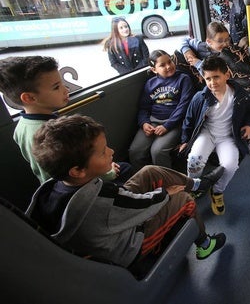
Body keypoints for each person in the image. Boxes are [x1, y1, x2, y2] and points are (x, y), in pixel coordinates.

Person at [26, 114, 226, 267]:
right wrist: (166, 194)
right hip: (130, 246)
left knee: (149, 172)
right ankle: (204, 244)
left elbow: (120, 199)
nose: (111, 152)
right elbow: (142, 206)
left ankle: (199, 184)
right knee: (183, 199)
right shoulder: (101, 200)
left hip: (112, 219)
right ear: (78, 170)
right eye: (103, 152)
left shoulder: (53, 189)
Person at [0, 56, 132, 185]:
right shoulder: (45, 134)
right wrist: (109, 172)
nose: (66, 89)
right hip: (83, 186)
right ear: (29, 98)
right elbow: (66, 176)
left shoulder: (22, 127)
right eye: (56, 87)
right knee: (125, 169)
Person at [179, 56, 250, 215]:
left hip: (228, 137)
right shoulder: (201, 97)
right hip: (207, 134)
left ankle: (217, 191)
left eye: (216, 77)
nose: (212, 82)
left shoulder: (240, 95)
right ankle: (193, 187)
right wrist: (184, 140)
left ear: (227, 75)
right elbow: (189, 119)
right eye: (208, 78)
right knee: (194, 160)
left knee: (230, 166)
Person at [129, 50, 195, 171]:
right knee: (135, 151)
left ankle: (167, 183)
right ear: (154, 70)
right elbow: (144, 107)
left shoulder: (183, 79)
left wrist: (167, 126)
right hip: (153, 121)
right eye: (162, 65)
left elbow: (184, 106)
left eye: (169, 62)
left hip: (174, 123)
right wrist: (144, 123)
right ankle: (145, 180)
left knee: (158, 151)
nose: (168, 66)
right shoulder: (150, 83)